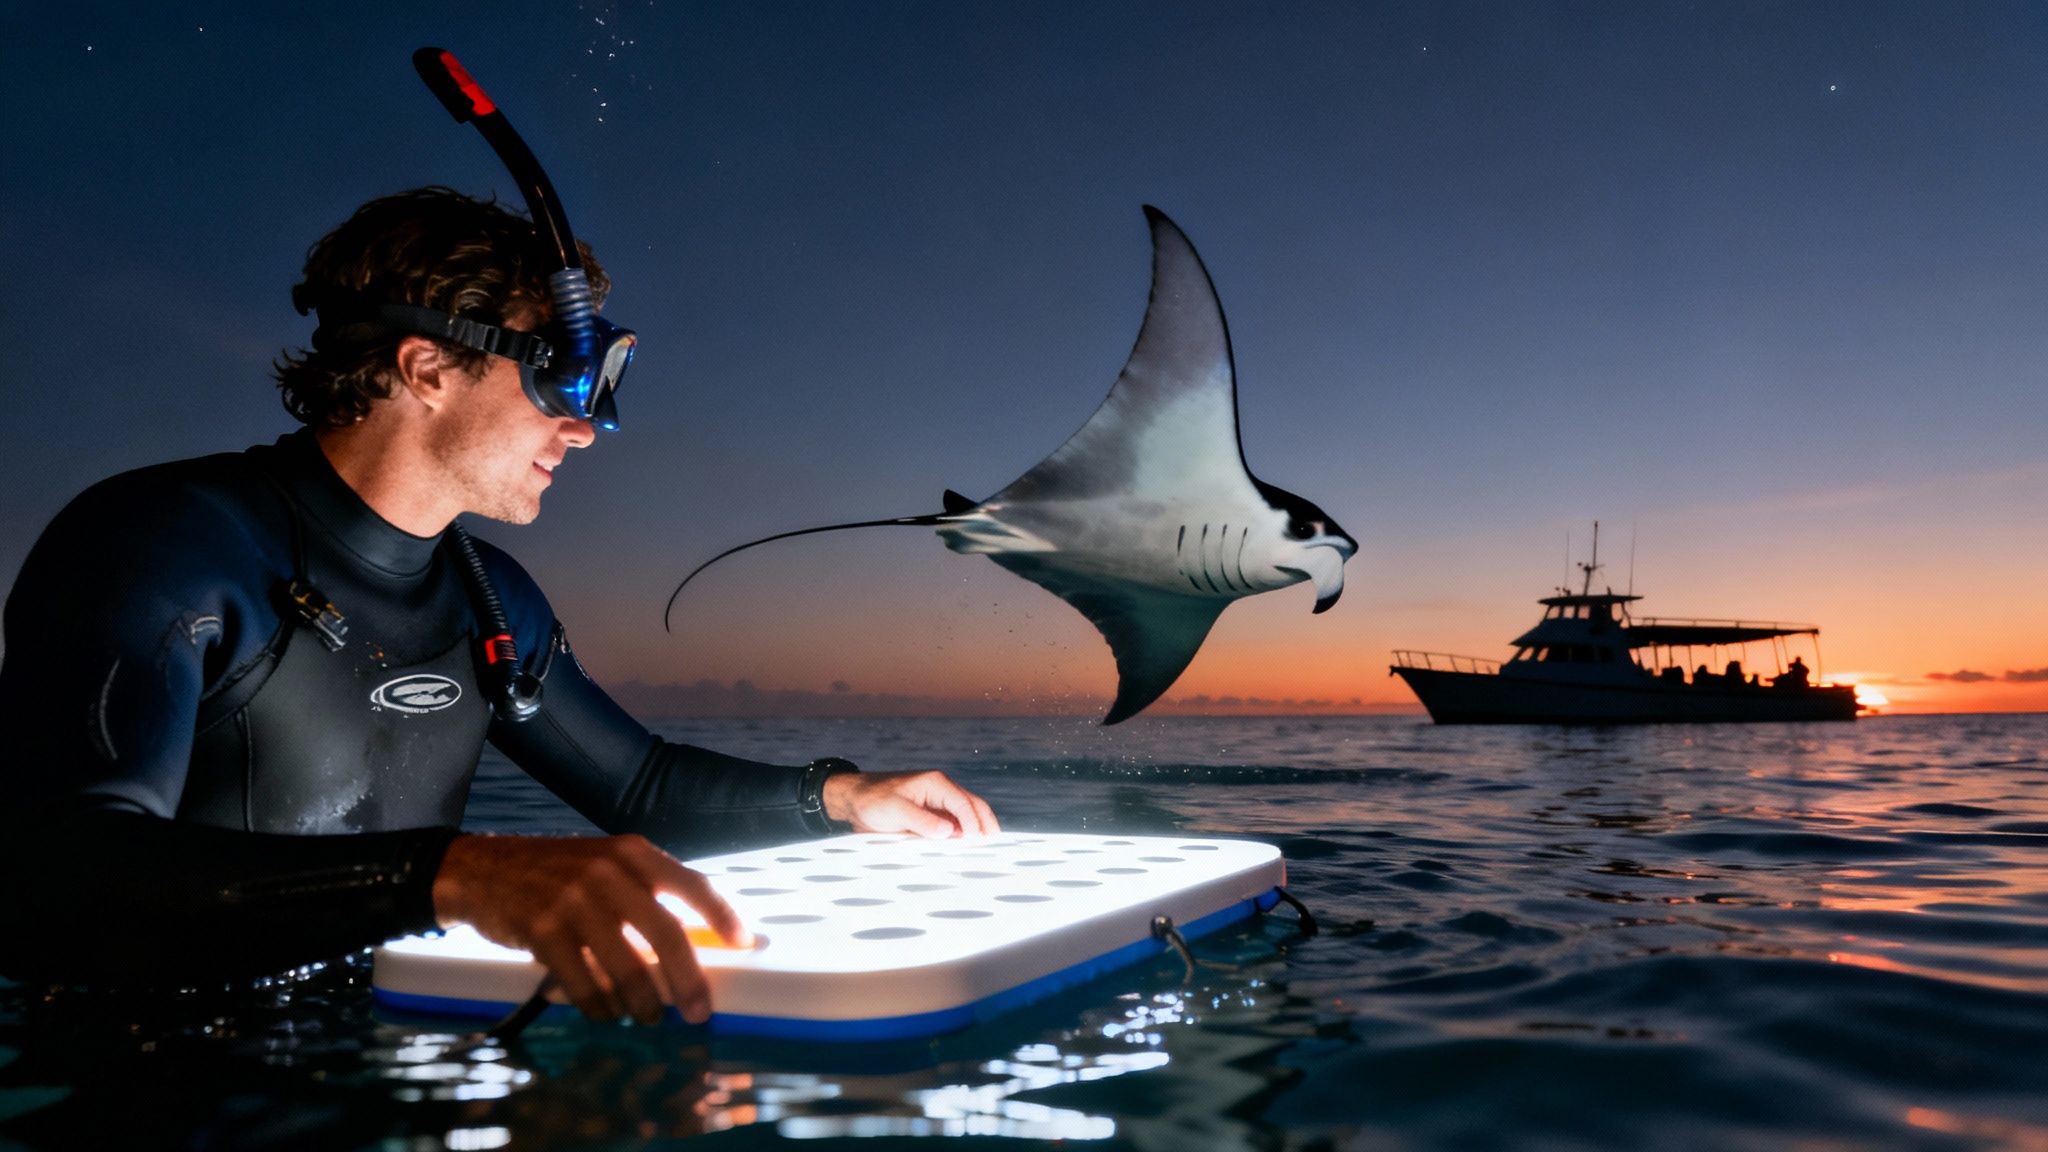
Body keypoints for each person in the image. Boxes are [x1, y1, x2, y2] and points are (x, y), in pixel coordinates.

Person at [0, 187, 998, 1027]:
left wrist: (838, 798)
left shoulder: (488, 596)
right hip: (155, 1079)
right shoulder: (163, 539)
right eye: (558, 376)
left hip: (398, 1049)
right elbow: (57, 870)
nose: (584, 426)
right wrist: (461, 875)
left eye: (597, 381)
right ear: (426, 368)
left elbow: (642, 787)